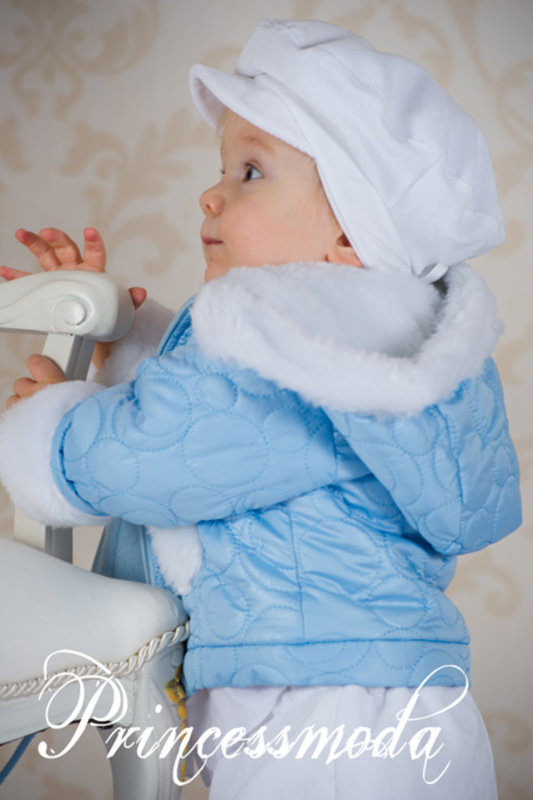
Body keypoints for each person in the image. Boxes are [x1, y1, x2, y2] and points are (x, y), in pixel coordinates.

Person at [0, 19, 522, 800]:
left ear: (350, 232)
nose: (209, 193)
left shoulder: (285, 336)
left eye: (250, 172)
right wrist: (126, 343)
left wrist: (50, 425)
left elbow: (152, 455)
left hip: (317, 719)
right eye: (222, 168)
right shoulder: (362, 342)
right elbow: (228, 431)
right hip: (390, 701)